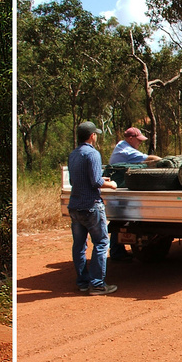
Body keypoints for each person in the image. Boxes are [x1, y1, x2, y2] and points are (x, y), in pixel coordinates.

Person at [68, 121, 118, 296]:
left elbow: (73, 181)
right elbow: (96, 182)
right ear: (92, 136)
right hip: (91, 206)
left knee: (79, 245)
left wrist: (99, 178)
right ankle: (97, 284)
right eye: (95, 134)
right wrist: (110, 184)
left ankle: (82, 282)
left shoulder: (73, 154)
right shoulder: (93, 154)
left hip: (74, 206)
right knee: (102, 242)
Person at [106, 127, 160, 262]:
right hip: (120, 188)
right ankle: (117, 252)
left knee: (119, 219)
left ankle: (117, 251)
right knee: (122, 219)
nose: (140, 143)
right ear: (130, 138)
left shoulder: (122, 146)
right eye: (138, 140)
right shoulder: (126, 150)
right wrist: (164, 160)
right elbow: (148, 159)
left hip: (119, 188)